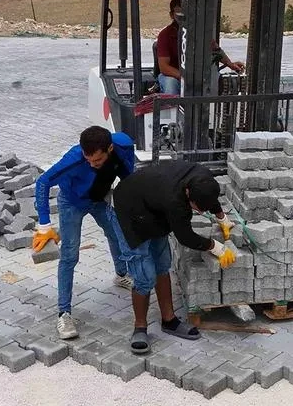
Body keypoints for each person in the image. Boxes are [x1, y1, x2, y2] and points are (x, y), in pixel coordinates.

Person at [112, 159, 235, 354]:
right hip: (129, 211)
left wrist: (222, 217)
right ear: (187, 193)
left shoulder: (203, 178)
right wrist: (216, 247)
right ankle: (140, 327)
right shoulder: (174, 200)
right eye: (196, 208)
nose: (199, 212)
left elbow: (209, 197)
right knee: (144, 276)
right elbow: (185, 237)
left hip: (153, 205)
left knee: (162, 265)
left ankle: (169, 320)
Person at [32, 126, 137, 340]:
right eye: (88, 160)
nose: (91, 164)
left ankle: (121, 275)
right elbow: (42, 182)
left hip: (99, 199)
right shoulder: (73, 159)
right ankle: (64, 313)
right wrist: (44, 225)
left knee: (116, 235)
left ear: (109, 149)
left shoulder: (124, 146)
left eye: (97, 161)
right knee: (70, 255)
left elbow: (129, 177)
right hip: (71, 203)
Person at [154, 0, 244, 96]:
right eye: (179, 13)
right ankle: (171, 105)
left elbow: (215, 50)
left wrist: (230, 64)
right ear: (172, 15)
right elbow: (164, 67)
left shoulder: (200, 32)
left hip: (195, 75)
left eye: (186, 12)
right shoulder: (165, 35)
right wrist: (183, 77)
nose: (183, 16)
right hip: (173, 75)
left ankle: (210, 103)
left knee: (213, 80)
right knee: (171, 85)